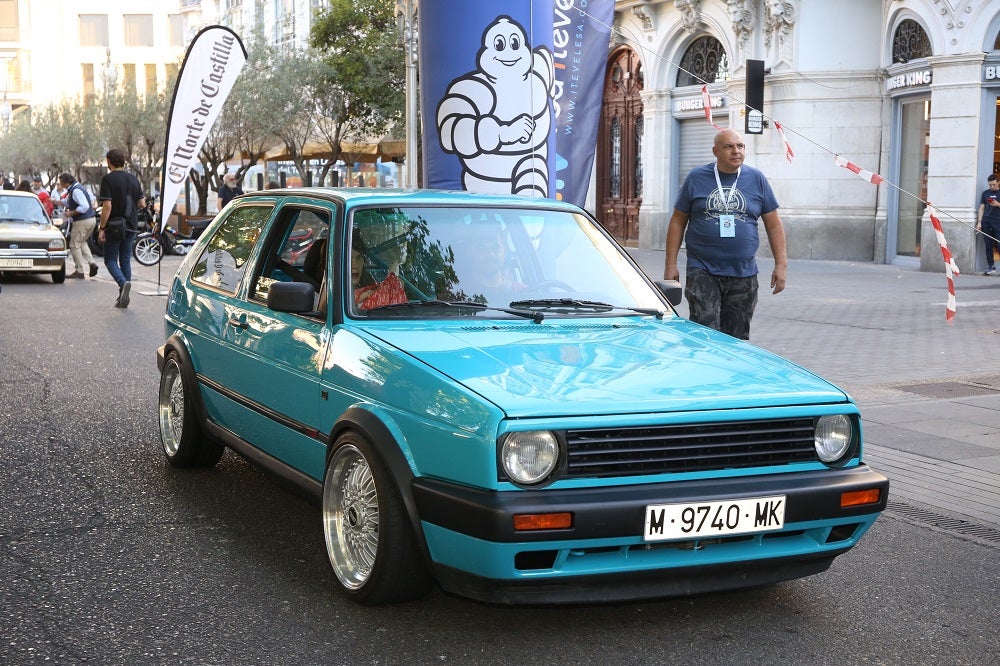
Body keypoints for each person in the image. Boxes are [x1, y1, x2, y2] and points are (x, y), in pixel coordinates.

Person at [663, 128, 787, 340]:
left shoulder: (756, 179)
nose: (736, 151)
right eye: (729, 146)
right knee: (705, 333)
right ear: (715, 151)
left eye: (740, 146)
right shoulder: (696, 177)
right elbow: (677, 221)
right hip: (703, 269)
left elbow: (774, 224)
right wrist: (670, 264)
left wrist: (781, 265)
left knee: (737, 338)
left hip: (743, 272)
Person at [98, 149, 145, 308]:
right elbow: (142, 204)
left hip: (114, 226)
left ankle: (122, 283)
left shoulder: (108, 179)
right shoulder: (133, 179)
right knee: (125, 259)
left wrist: (102, 227)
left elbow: (107, 205)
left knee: (110, 259)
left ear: (109, 161)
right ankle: (123, 295)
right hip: (131, 224)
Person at [59, 172, 100, 280]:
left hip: (82, 221)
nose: (60, 184)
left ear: (65, 182)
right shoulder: (78, 188)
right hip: (91, 219)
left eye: (61, 182)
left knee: (73, 244)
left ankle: (79, 270)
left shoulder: (76, 191)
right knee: (81, 242)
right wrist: (57, 202)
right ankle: (92, 263)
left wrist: (71, 213)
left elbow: (84, 206)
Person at [977, 174, 1000, 275]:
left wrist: (998, 204)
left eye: (993, 185)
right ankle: (991, 266)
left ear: (998, 182)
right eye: (990, 185)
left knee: (999, 245)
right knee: (988, 246)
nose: (991, 187)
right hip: (986, 222)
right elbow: (981, 207)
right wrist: (979, 222)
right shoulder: (985, 193)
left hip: (998, 222)